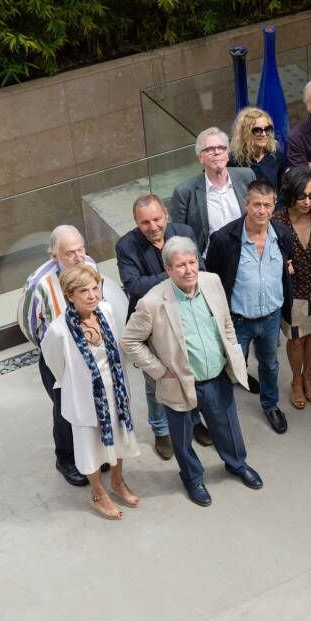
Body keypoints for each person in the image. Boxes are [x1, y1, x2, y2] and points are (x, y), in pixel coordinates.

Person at [120, 236, 262, 507]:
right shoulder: (152, 302)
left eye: (192, 262)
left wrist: (231, 346)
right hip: (180, 382)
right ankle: (192, 478)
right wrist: (159, 371)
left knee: (227, 426)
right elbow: (129, 341)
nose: (189, 270)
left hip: (216, 376)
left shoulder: (212, 282)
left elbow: (225, 320)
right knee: (183, 437)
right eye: (180, 265)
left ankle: (236, 464)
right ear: (168, 269)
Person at [17, 225, 128, 487]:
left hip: (92, 352)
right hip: (60, 356)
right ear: (54, 255)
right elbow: (28, 324)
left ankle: (95, 454)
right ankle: (66, 459)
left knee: (94, 403)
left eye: (81, 250)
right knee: (66, 407)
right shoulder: (39, 284)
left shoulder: (89, 264)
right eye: (70, 253)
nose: (79, 257)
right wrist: (55, 348)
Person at [41, 265, 140, 520]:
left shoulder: (106, 311)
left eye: (95, 288)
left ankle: (117, 482)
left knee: (118, 439)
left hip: (115, 392)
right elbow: (56, 367)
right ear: (69, 295)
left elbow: (116, 353)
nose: (92, 295)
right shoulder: (58, 331)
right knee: (90, 448)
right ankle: (98, 494)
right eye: (83, 291)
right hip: (84, 398)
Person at [115, 194, 211, 458]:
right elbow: (133, 286)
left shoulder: (184, 232)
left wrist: (176, 273)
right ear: (136, 222)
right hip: (152, 324)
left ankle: (193, 422)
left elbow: (199, 269)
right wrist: (175, 274)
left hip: (186, 316)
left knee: (188, 371)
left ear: (166, 215)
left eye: (157, 219)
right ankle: (161, 431)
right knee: (156, 380)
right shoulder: (126, 245)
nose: (153, 226)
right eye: (144, 222)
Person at [206, 179, 294, 435]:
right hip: (238, 320)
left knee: (270, 365)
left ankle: (270, 405)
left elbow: (285, 271)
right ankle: (222, 418)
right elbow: (213, 280)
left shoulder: (282, 235)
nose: (262, 210)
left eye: (267, 205)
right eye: (256, 204)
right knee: (229, 368)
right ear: (246, 204)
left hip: (271, 318)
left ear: (274, 206)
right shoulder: (224, 239)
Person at [272, 167, 311, 410]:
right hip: (293, 290)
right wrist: (280, 264)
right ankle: (296, 380)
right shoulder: (277, 220)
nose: (307, 201)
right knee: (296, 339)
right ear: (290, 194)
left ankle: (308, 375)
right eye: (302, 196)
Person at [171, 127, 255, 255]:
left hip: (248, 252)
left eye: (221, 148)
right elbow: (179, 236)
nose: (217, 152)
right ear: (200, 158)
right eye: (210, 149)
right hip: (211, 261)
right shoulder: (184, 192)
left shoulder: (247, 176)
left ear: (227, 154)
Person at [228, 106, 285, 191]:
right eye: (257, 130)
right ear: (245, 133)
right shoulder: (233, 160)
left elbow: (281, 188)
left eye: (267, 129)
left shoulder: (276, 152)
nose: (264, 134)